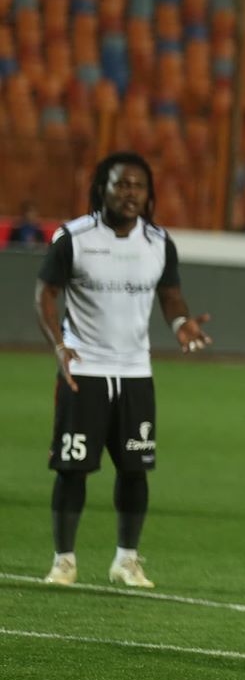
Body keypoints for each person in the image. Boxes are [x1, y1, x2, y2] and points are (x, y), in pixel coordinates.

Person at [36, 153, 212, 588]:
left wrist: (180, 323)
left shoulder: (158, 243)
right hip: (85, 368)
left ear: (148, 194)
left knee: (135, 468)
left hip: (135, 372)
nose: (129, 193)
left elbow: (170, 294)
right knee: (72, 467)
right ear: (102, 188)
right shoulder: (73, 238)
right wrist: (59, 346)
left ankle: (126, 560)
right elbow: (45, 294)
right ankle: (64, 560)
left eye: (137, 186)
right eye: (120, 184)